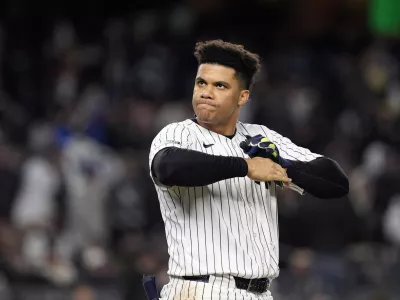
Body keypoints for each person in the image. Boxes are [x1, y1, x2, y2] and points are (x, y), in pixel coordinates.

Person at [148, 40, 349, 300]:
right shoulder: (178, 133)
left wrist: (283, 165)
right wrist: (245, 166)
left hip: (261, 292)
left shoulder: (261, 136)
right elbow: (168, 167)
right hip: (200, 289)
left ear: (242, 96)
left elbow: (336, 183)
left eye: (220, 85)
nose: (206, 92)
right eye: (201, 83)